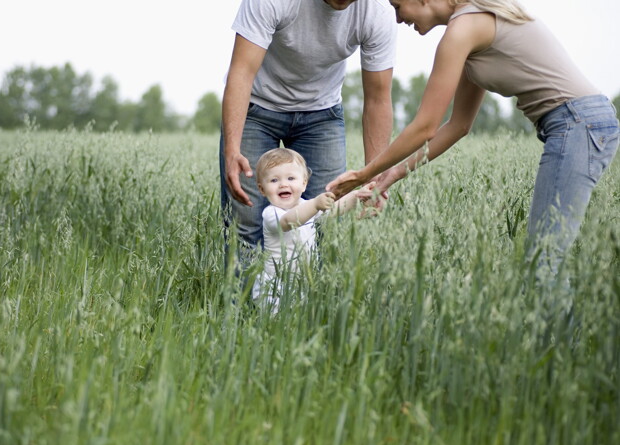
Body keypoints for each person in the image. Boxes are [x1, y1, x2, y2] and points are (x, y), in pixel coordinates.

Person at [327, 0, 619, 309]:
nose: (398, 18)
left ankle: (561, 350)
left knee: (545, 257)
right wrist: (392, 175)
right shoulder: (468, 32)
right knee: (545, 254)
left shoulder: (463, 29)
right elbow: (457, 125)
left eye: (399, 6)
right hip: (577, 124)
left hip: (577, 123)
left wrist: (366, 173)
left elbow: (425, 126)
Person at [220, 0, 398, 271]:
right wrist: (232, 150)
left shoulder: (376, 13)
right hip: (257, 108)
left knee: (327, 225)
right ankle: (242, 311)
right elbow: (242, 72)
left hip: (321, 115)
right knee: (246, 225)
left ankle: (311, 310)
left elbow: (377, 98)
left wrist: (374, 176)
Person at [253, 148, 376, 310]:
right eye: (274, 180)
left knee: (300, 320)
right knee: (277, 324)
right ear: (262, 189)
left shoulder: (306, 206)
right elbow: (289, 221)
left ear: (304, 184)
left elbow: (333, 210)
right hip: (275, 287)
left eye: (291, 178)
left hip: (302, 283)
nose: (283, 184)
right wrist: (315, 204)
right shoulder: (271, 213)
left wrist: (357, 196)